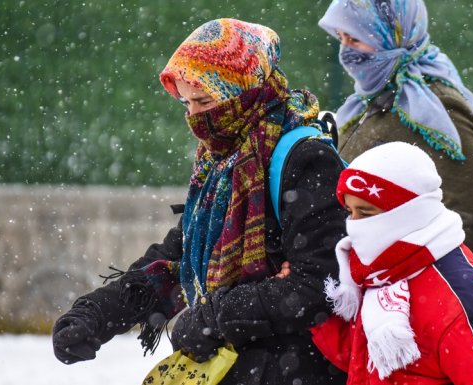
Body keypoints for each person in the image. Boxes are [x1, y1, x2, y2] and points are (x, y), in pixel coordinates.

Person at [51, 18, 348, 385]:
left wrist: (214, 318)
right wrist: (96, 314)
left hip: (299, 371)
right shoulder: (223, 163)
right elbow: (176, 257)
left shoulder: (304, 159)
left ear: (245, 88)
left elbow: (322, 285)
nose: (195, 118)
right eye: (187, 104)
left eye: (205, 101)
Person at [310, 142, 473, 384]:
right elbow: (368, 361)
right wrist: (312, 310)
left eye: (365, 214)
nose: (353, 226)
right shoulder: (382, 272)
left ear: (406, 213)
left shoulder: (459, 293)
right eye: (350, 212)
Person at [317, 0, 473, 265]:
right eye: (341, 38)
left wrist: (418, 283)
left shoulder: (434, 105)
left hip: (401, 291)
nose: (346, 52)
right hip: (360, 277)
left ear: (390, 37)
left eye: (355, 39)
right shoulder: (367, 101)